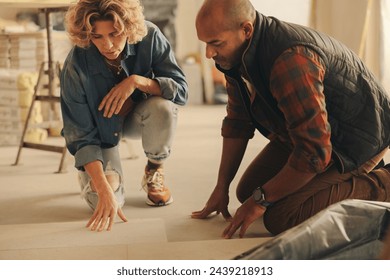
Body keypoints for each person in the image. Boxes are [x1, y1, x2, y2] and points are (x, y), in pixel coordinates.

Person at [192, 0, 390, 238]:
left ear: (246, 30)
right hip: (313, 132)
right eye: (205, 43)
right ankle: (339, 180)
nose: (208, 53)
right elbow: (238, 121)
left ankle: (382, 182)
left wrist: (261, 201)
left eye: (215, 43)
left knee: (283, 216)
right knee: (248, 191)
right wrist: (221, 187)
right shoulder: (234, 55)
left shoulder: (289, 60)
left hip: (358, 137)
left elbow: (314, 153)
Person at [60, 0, 188, 232]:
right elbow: (78, 133)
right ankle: (89, 173)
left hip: (136, 119)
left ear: (129, 28)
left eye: (115, 34)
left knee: (163, 109)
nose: (107, 44)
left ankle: (154, 169)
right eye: (97, 37)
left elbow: (181, 91)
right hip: (100, 136)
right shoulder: (76, 64)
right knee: (107, 202)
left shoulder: (151, 37)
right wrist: (101, 185)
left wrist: (138, 82)